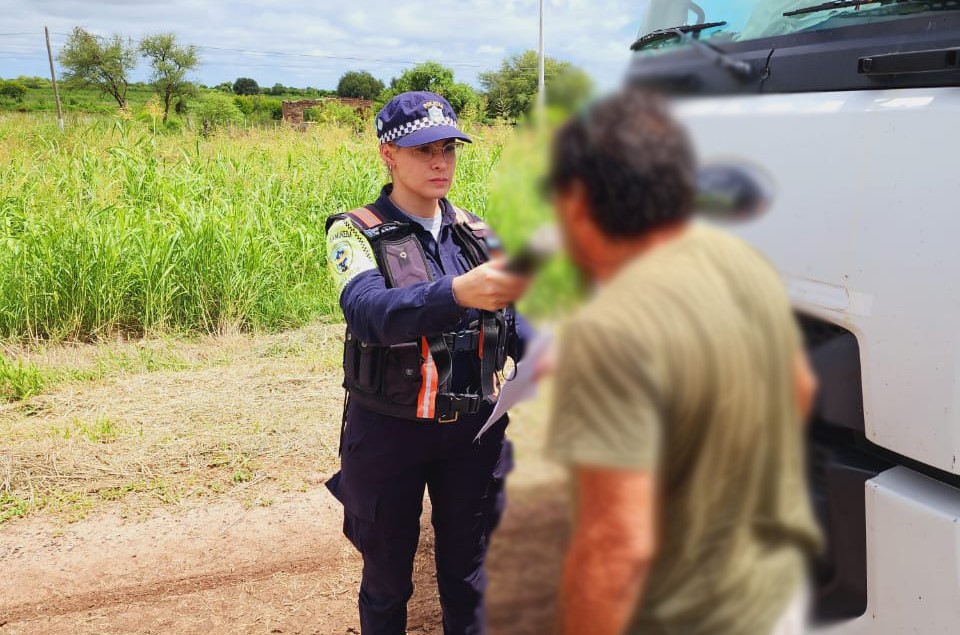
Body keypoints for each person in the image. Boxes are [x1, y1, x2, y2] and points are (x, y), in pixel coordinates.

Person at [542, 89, 822, 635]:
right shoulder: (738, 258)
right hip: (773, 594)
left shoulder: (611, 329)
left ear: (576, 203)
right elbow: (799, 390)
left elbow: (615, 548)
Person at [324, 91, 534, 635]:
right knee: (388, 581)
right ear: (387, 155)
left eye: (448, 148)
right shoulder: (354, 231)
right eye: (422, 150)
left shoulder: (483, 233)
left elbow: (519, 324)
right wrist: (458, 293)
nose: (440, 162)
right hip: (389, 431)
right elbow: (369, 311)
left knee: (470, 577)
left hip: (475, 432)